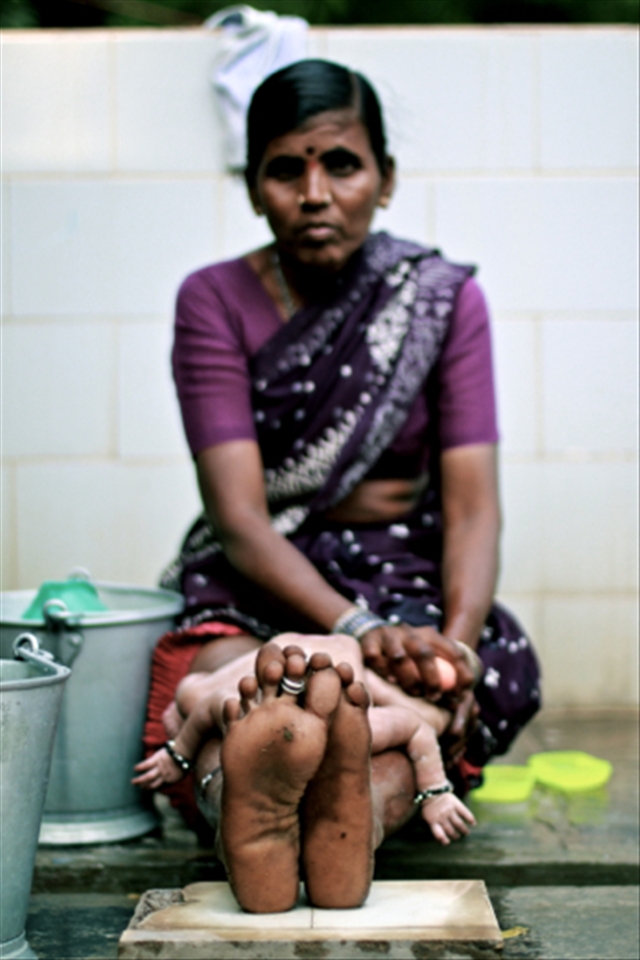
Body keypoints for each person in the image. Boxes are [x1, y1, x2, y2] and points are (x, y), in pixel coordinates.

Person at [142, 58, 541, 911]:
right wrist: (359, 632)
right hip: (266, 572)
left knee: (447, 691)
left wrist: (455, 651)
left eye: (343, 164)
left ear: (385, 180)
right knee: (236, 685)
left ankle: (336, 810)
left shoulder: (441, 299)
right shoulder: (211, 300)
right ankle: (251, 801)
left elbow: (473, 506)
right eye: (286, 169)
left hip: (407, 580)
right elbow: (241, 518)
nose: (315, 192)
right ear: (253, 187)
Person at [133, 633, 476, 849]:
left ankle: (333, 834)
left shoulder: (361, 724)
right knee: (185, 706)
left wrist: (436, 793)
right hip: (277, 658)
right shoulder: (243, 709)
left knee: (436, 720)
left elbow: (418, 728)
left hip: (344, 656)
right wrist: (177, 752)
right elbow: (197, 698)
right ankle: (250, 817)